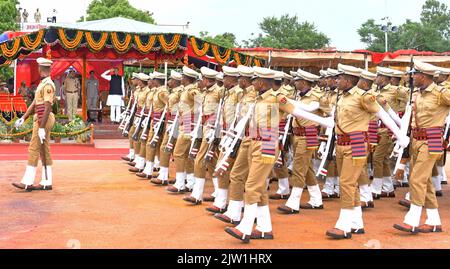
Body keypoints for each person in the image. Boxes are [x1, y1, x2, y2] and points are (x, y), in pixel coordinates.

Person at [325, 64, 409, 240]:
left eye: (339, 78)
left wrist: (401, 135)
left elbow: (383, 115)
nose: (336, 80)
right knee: (350, 183)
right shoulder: (343, 97)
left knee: (347, 184)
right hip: (341, 143)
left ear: (348, 80)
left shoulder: (364, 97)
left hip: (356, 143)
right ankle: (356, 223)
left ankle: (344, 225)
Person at [393, 61, 449, 234]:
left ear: (423, 76)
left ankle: (412, 220)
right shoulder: (418, 94)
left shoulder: (441, 93)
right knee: (425, 183)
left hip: (431, 141)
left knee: (416, 180)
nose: (412, 77)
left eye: (414, 74)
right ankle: (433, 221)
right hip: (416, 140)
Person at [12, 58, 56, 191]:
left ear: (40, 69)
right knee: (43, 149)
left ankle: (27, 182)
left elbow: (47, 107)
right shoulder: (43, 83)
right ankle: (46, 182)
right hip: (42, 117)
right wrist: (23, 117)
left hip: (44, 118)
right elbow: (35, 103)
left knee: (34, 148)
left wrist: (41, 128)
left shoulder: (48, 85)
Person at [166, 66, 200, 193]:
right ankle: (190, 182)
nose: (181, 78)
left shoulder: (192, 91)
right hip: (183, 122)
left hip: (188, 124)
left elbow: (201, 104)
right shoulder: (186, 90)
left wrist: (192, 118)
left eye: (183, 77)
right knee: (185, 155)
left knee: (179, 153)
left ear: (187, 78)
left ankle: (180, 183)